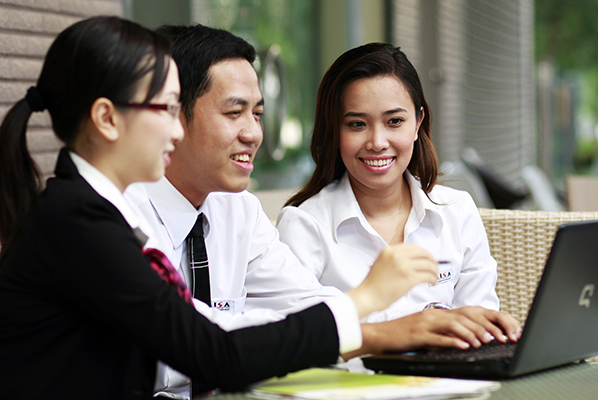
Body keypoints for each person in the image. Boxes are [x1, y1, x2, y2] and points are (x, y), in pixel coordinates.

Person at [0, 17, 440, 399]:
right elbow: (211, 350)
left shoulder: (96, 210)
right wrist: (365, 299)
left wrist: (397, 328)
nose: (175, 131)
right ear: (107, 119)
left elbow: (259, 323)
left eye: (258, 114)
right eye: (166, 109)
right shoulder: (82, 220)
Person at [126, 25, 521, 398]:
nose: (254, 134)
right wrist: (375, 306)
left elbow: (305, 308)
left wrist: (416, 328)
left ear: (418, 121)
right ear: (170, 116)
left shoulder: (238, 211)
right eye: (234, 113)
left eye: (257, 114)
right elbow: (209, 341)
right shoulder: (119, 220)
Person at [277, 42, 501, 323]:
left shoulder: (457, 211)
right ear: (334, 130)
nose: (377, 142)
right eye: (357, 124)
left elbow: (480, 324)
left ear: (417, 123)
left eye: (394, 121)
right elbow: (297, 336)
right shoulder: (304, 226)